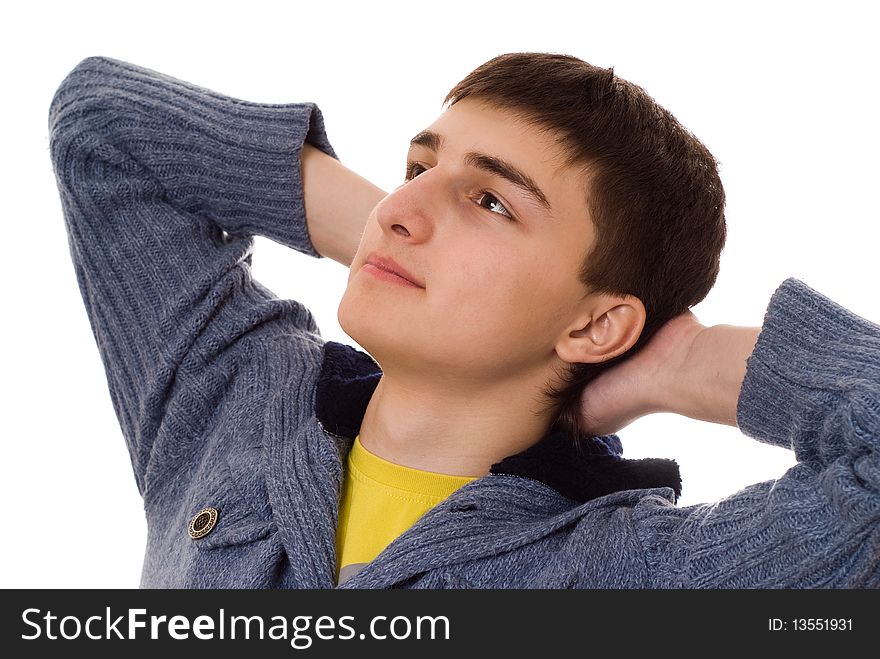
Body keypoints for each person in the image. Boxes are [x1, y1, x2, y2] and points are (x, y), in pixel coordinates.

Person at [47, 54, 879, 589]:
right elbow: (102, 127)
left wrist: (687, 363)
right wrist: (386, 232)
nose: (405, 205)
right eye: (418, 165)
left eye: (489, 199)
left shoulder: (645, 573)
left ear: (597, 326)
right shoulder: (232, 402)